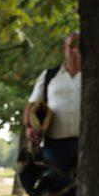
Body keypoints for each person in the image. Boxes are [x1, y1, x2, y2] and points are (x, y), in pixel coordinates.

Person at [23, 31, 82, 177]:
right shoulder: (49, 75)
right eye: (71, 46)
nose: (74, 51)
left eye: (78, 46)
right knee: (54, 189)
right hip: (55, 146)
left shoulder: (94, 76)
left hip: (88, 144)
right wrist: (29, 127)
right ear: (64, 49)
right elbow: (32, 104)